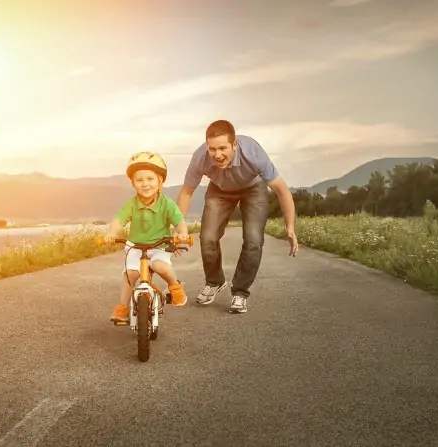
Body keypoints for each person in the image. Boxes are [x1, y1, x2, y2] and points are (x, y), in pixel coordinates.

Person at [175, 119, 298, 315]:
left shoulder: (253, 153)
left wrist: (290, 226)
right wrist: (179, 227)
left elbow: (282, 191)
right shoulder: (200, 157)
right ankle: (215, 281)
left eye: (223, 148)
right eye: (212, 149)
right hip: (219, 189)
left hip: (253, 188)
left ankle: (240, 292)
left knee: (253, 240)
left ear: (234, 145)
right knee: (207, 237)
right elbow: (187, 192)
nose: (217, 155)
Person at [105, 151, 190, 324]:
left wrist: (182, 234)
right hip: (135, 246)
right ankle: (122, 307)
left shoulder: (167, 204)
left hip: (160, 246)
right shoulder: (131, 204)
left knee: (160, 266)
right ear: (133, 184)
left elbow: (179, 221)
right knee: (131, 274)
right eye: (139, 180)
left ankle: (175, 287)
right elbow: (118, 220)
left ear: (160, 182)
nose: (145, 184)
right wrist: (112, 233)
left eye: (150, 179)